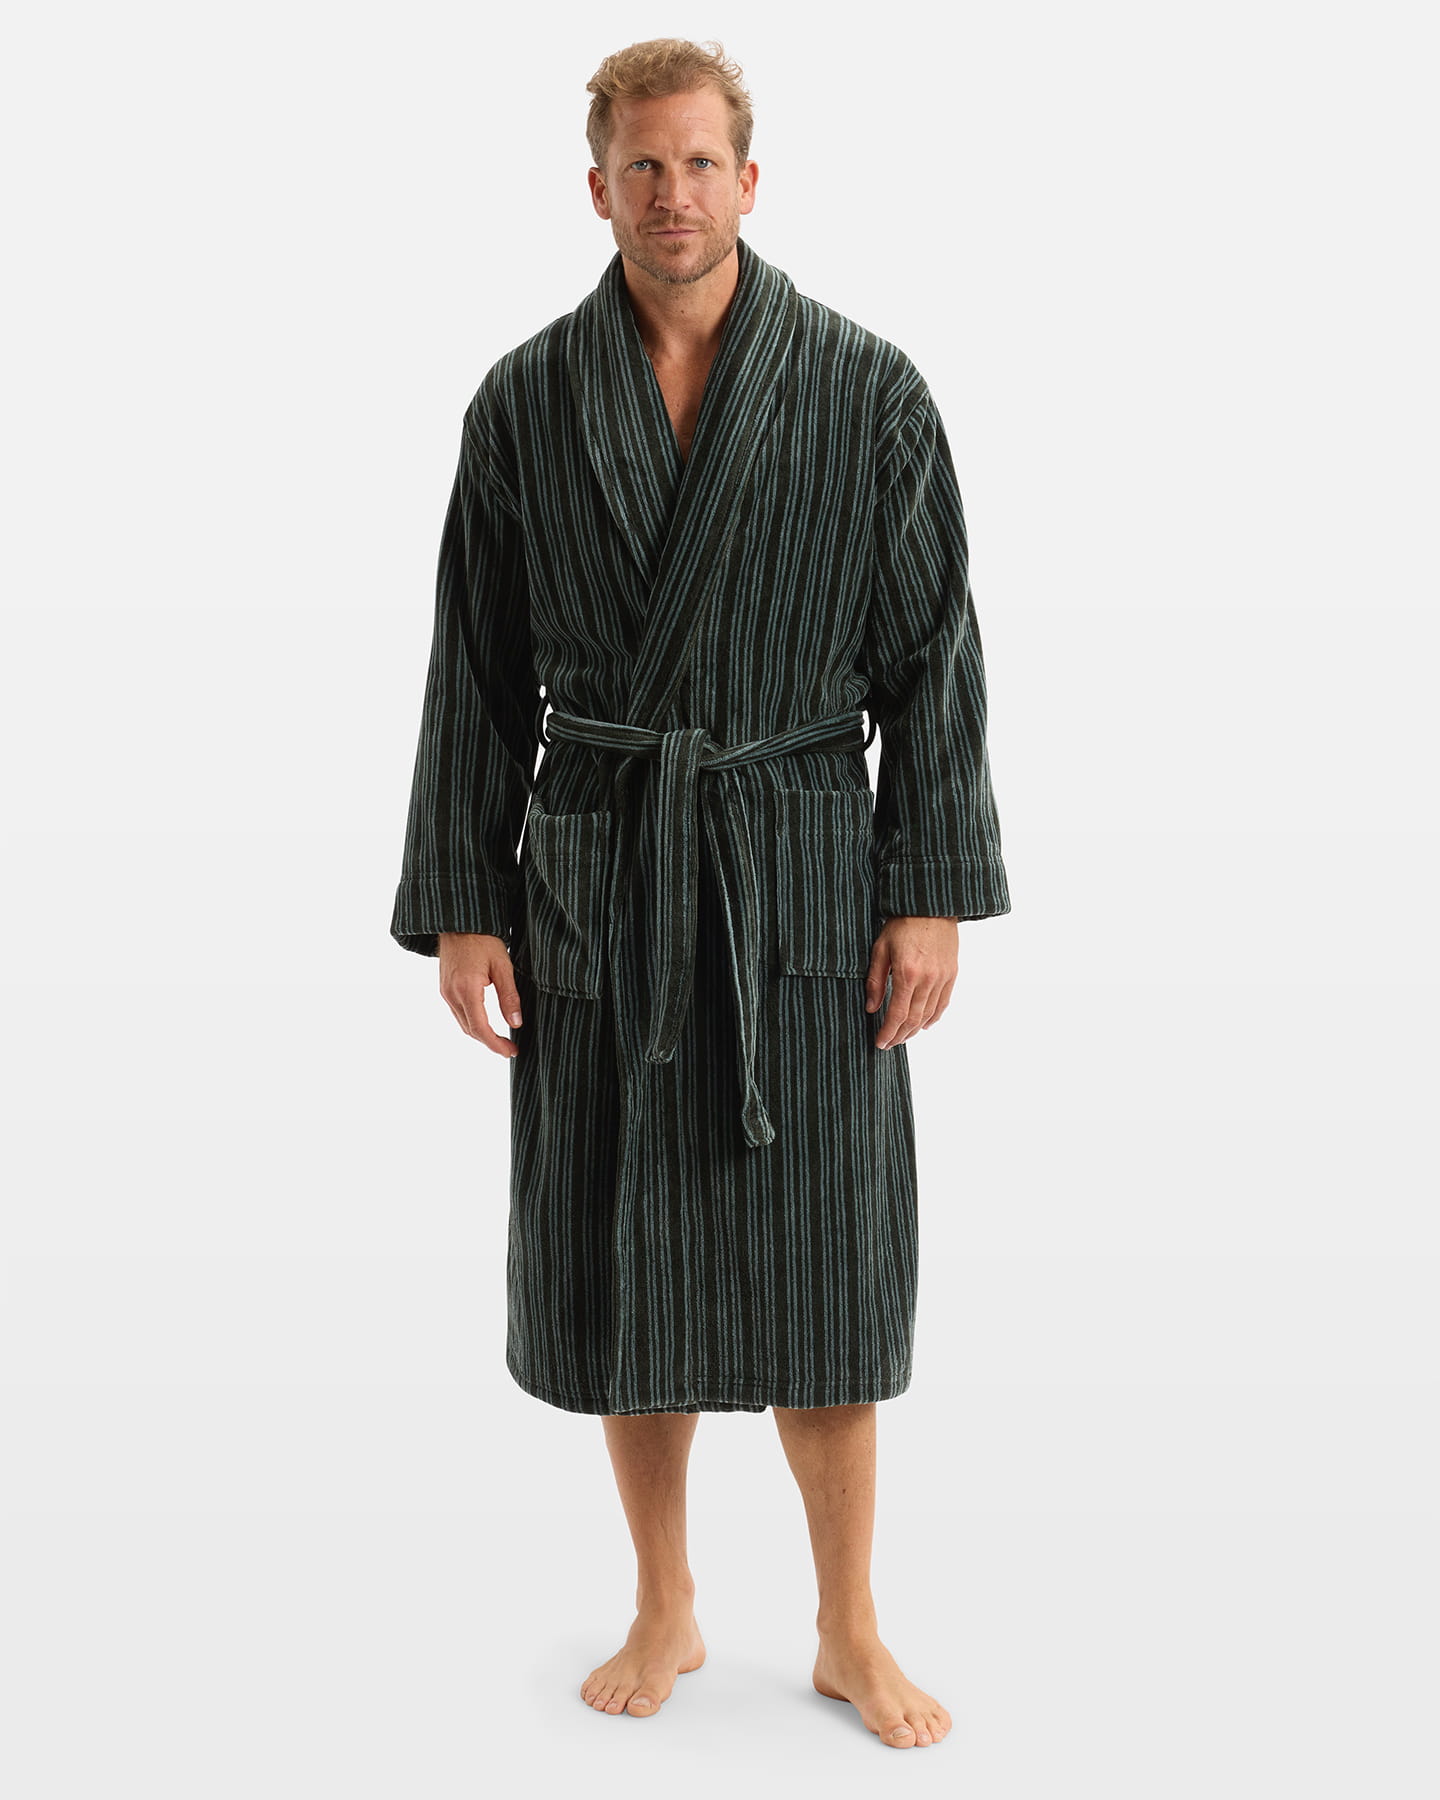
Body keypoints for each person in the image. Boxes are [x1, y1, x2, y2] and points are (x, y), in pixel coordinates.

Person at [390, 37, 1011, 1751]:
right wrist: (466, 898)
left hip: (800, 868)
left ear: (752, 178)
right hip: (601, 869)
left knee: (829, 1266)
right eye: (643, 167)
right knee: (626, 1255)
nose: (674, 194)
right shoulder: (526, 401)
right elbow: (474, 673)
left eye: (700, 162)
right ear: (597, 188)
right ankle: (663, 1599)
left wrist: (929, 887)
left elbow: (934, 660)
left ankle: (847, 1626)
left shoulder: (867, 390)